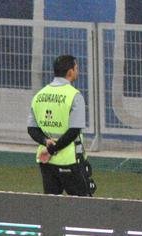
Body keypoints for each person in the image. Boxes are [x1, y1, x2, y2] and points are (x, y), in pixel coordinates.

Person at [27, 54, 95, 197]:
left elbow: (32, 129)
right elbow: (74, 131)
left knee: (52, 207)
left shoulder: (39, 95)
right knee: (84, 206)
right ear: (70, 72)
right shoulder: (75, 96)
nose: (78, 71)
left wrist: (46, 143)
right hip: (69, 160)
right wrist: (54, 149)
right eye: (76, 68)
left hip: (46, 160)